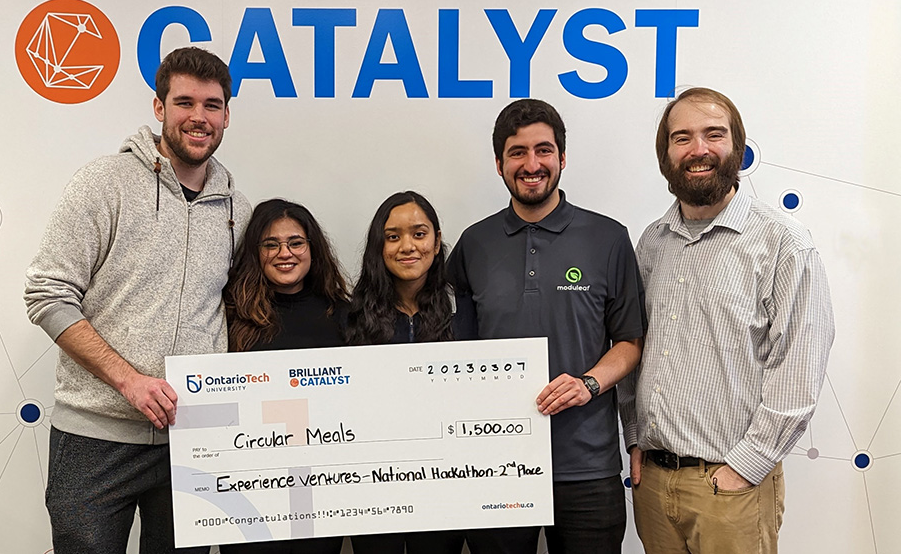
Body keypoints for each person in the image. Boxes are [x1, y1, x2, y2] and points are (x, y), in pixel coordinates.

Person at [24, 47, 252, 554]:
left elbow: (239, 312)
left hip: (190, 442)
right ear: (158, 107)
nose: (199, 117)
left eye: (212, 105)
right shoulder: (104, 183)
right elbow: (47, 293)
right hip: (94, 440)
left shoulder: (238, 208)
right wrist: (130, 381)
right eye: (184, 102)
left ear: (227, 115)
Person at [618, 87, 834, 554]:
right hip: (654, 485)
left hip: (729, 488)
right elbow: (635, 348)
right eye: (682, 138)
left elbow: (799, 367)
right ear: (665, 155)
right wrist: (635, 437)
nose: (698, 150)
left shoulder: (783, 243)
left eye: (713, 135)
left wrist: (746, 466)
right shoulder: (652, 243)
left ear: (737, 146)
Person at [447, 99, 645, 554]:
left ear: (562, 158)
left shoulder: (608, 238)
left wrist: (588, 384)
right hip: (495, 467)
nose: (531, 164)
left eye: (544, 150)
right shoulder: (473, 244)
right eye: (517, 152)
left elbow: (631, 341)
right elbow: (458, 349)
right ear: (499, 164)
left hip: (587, 468)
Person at [219, 198, 350, 554]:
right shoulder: (228, 316)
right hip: (248, 495)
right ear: (255, 252)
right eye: (270, 244)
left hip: (323, 495)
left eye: (295, 242)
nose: (284, 253)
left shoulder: (344, 316)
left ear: (312, 248)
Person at [345, 191, 464, 554]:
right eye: (393, 236)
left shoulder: (465, 313)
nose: (407, 246)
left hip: (448, 489)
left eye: (419, 233)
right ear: (378, 246)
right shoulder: (349, 316)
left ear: (437, 240)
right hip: (373, 492)